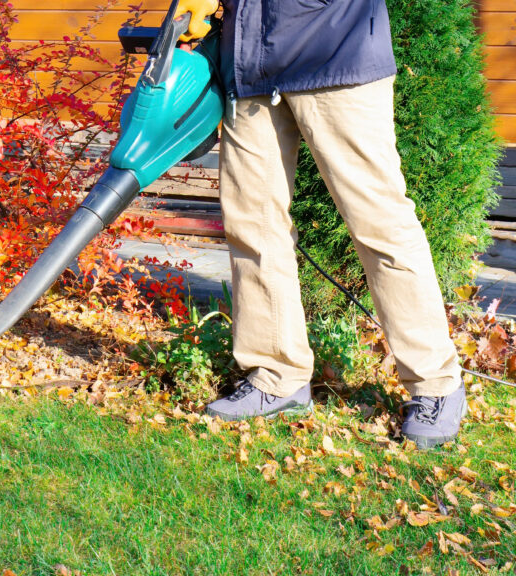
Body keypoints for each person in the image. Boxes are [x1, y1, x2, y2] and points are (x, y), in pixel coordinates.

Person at [178, 0, 467, 448]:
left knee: (379, 221)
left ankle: (436, 385)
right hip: (251, 58)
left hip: (336, 48)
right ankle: (276, 373)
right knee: (251, 221)